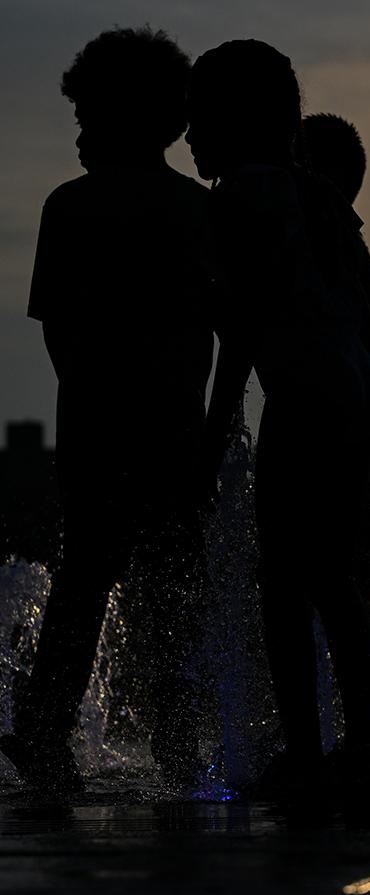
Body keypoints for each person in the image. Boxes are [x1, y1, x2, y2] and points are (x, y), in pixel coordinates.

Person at [1, 26, 212, 793]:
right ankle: (180, 746)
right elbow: (220, 333)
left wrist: (98, 401)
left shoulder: (71, 208)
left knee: (84, 587)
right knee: (170, 598)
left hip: (96, 431)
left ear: (126, 118)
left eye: (88, 116)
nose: (81, 134)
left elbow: (62, 335)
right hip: (176, 435)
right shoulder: (197, 211)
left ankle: (45, 730)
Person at [188, 40, 370, 805]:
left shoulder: (237, 199)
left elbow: (239, 329)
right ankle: (366, 743)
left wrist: (213, 438)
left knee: (282, 582)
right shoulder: (321, 196)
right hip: (359, 388)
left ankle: (306, 753)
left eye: (197, 117)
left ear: (231, 121)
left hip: (303, 394)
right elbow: (369, 305)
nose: (189, 136)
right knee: (336, 579)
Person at [299, 111, 370, 635]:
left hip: (359, 433)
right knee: (336, 592)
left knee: (333, 591)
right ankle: (337, 716)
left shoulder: (326, 243)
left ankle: (338, 718)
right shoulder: (341, 242)